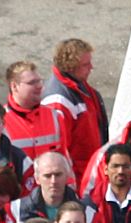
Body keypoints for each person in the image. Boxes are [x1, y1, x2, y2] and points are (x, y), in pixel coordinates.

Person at [42, 38, 108, 175]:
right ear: (70, 67)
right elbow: (59, 150)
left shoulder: (79, 85)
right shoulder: (58, 102)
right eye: (86, 64)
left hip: (90, 170)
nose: (91, 67)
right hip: (79, 176)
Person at [2, 61, 73, 162]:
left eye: (39, 81)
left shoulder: (55, 116)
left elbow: (64, 161)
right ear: (14, 86)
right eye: (32, 83)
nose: (39, 86)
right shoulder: (0, 121)